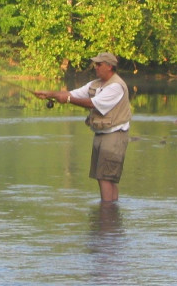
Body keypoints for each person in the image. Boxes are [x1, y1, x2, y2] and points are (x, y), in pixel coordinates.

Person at [35, 52, 132, 203]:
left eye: (99, 64)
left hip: (114, 135)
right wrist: (49, 94)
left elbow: (93, 103)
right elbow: (73, 93)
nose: (96, 67)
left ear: (110, 67)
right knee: (104, 177)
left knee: (105, 177)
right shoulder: (95, 84)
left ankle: (106, 213)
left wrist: (67, 100)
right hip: (101, 134)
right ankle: (110, 213)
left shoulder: (116, 86)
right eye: (96, 64)